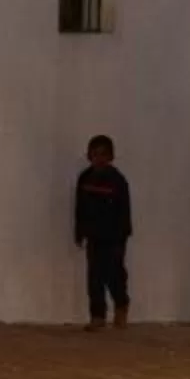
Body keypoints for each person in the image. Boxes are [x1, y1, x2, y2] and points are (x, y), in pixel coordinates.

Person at [73, 135, 132, 329]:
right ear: (89, 156)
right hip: (94, 236)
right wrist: (79, 232)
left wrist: (122, 237)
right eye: (95, 154)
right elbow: (79, 208)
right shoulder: (85, 178)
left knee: (114, 274)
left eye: (103, 154)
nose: (99, 158)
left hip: (114, 237)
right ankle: (97, 315)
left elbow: (124, 211)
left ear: (111, 156)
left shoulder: (117, 181)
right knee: (95, 277)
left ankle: (121, 305)